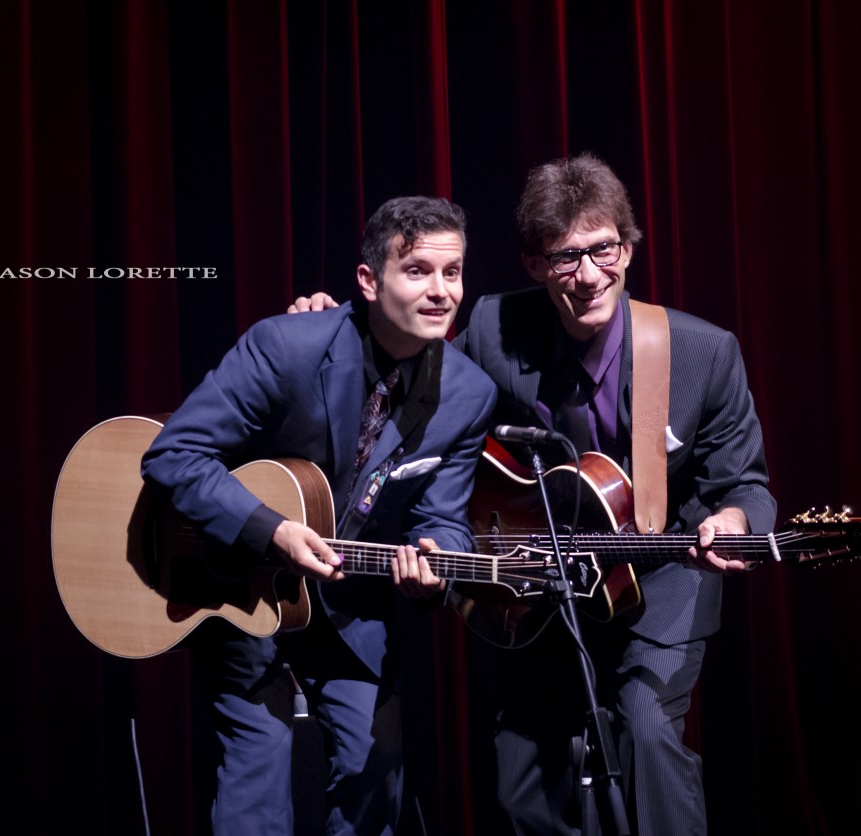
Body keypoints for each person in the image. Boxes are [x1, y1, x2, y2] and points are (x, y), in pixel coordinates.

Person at [288, 153, 777, 835]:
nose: (587, 274)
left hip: (657, 583)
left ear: (629, 248)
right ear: (534, 265)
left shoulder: (702, 353)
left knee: (645, 731)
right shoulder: (493, 328)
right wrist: (332, 325)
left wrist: (732, 519)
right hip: (536, 585)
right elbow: (407, 365)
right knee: (522, 779)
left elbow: (745, 485)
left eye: (603, 249)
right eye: (564, 257)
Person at [141, 195, 498, 836]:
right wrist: (269, 529)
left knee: (376, 764)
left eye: (453, 273)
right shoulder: (287, 347)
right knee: (261, 761)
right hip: (233, 583)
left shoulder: (468, 392)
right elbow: (175, 454)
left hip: (349, 604)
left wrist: (437, 562)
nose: (441, 291)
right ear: (368, 281)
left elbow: (444, 518)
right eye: (417, 270)